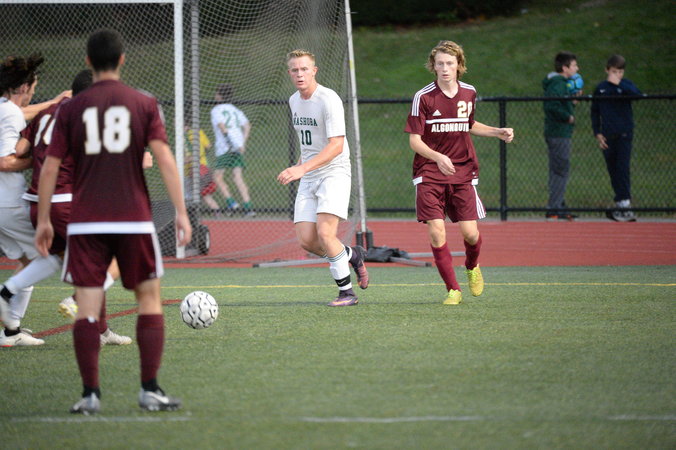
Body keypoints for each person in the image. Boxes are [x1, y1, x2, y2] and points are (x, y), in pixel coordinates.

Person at [34, 29, 191, 414]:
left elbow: (50, 168)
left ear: (88, 61)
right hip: (133, 219)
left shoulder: (70, 109)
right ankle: (149, 390)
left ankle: (90, 395)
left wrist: (44, 219)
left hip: (86, 221)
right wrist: (182, 211)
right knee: (149, 300)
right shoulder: (143, 103)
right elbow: (165, 159)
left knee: (88, 307)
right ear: (122, 60)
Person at [1, 69, 132, 346]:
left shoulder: (46, 113)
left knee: (57, 259)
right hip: (66, 203)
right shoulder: (85, 116)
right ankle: (78, 301)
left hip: (37, 204)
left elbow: (21, 149)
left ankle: (7, 292)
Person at [404, 40, 514, 305]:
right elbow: (415, 141)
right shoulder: (423, 97)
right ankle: (453, 289)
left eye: (449, 63)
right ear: (433, 66)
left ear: (459, 65)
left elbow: (469, 123)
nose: (444, 68)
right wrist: (438, 157)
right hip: (429, 171)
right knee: (436, 231)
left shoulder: (469, 92)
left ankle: (472, 266)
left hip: (463, 170)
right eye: (440, 63)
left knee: (470, 234)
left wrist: (497, 131)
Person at [277, 49, 368, 307]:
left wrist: (302, 169)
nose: (300, 74)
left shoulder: (328, 99)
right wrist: (299, 166)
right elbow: (309, 144)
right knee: (307, 241)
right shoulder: (294, 100)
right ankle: (352, 255)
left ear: (314, 71)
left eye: (304, 69)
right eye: (295, 70)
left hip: (334, 172)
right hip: (309, 174)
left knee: (326, 233)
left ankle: (347, 293)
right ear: (289, 73)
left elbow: (336, 145)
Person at [0, 53, 47, 346]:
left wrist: (55, 102)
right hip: (8, 202)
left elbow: (26, 112)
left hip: (3, 203)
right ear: (23, 87)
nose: (33, 94)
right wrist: (41, 159)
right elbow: (5, 162)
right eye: (33, 88)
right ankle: (8, 316)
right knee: (42, 258)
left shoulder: (4, 108)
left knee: (29, 260)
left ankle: (11, 331)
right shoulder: (11, 114)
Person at [591, 54, 642, 222]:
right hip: (608, 135)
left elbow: (637, 95)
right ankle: (620, 202)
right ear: (607, 70)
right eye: (614, 71)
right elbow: (595, 111)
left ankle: (625, 204)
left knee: (622, 168)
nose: (617, 75)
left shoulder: (625, 85)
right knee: (613, 169)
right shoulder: (601, 88)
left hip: (624, 134)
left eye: (620, 72)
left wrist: (619, 83)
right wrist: (598, 133)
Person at [543, 51, 580, 221]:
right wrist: (568, 116)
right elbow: (551, 105)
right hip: (558, 132)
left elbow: (559, 102)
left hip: (560, 132)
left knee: (559, 169)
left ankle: (558, 204)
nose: (577, 68)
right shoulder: (557, 83)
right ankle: (555, 208)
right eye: (574, 65)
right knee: (560, 170)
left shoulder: (562, 84)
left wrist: (572, 101)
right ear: (565, 68)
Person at [210, 83, 255, 216]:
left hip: (225, 147)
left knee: (217, 176)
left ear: (219, 96)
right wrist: (242, 143)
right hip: (238, 147)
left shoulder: (216, 110)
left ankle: (231, 203)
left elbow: (222, 127)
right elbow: (247, 125)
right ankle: (248, 207)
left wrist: (230, 143)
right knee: (237, 177)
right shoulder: (235, 110)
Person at [184, 125, 220, 214]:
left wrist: (181, 161)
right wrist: (202, 155)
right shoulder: (198, 131)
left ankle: (191, 214)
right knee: (205, 194)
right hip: (204, 167)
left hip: (191, 170)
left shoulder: (183, 137)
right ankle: (216, 211)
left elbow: (189, 157)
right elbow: (208, 146)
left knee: (188, 195)